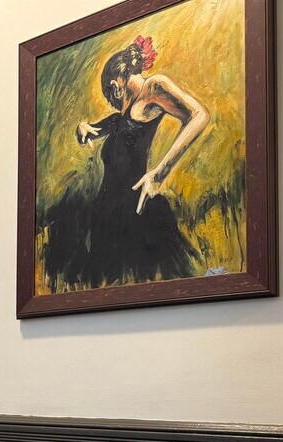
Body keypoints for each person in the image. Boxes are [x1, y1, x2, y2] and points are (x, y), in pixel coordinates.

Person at [41, 36, 210, 290]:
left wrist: (159, 173)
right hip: (108, 217)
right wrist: (82, 127)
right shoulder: (120, 118)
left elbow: (199, 115)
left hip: (136, 211)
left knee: (149, 283)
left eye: (110, 93)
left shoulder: (154, 87)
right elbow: (98, 128)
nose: (113, 99)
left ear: (115, 83)